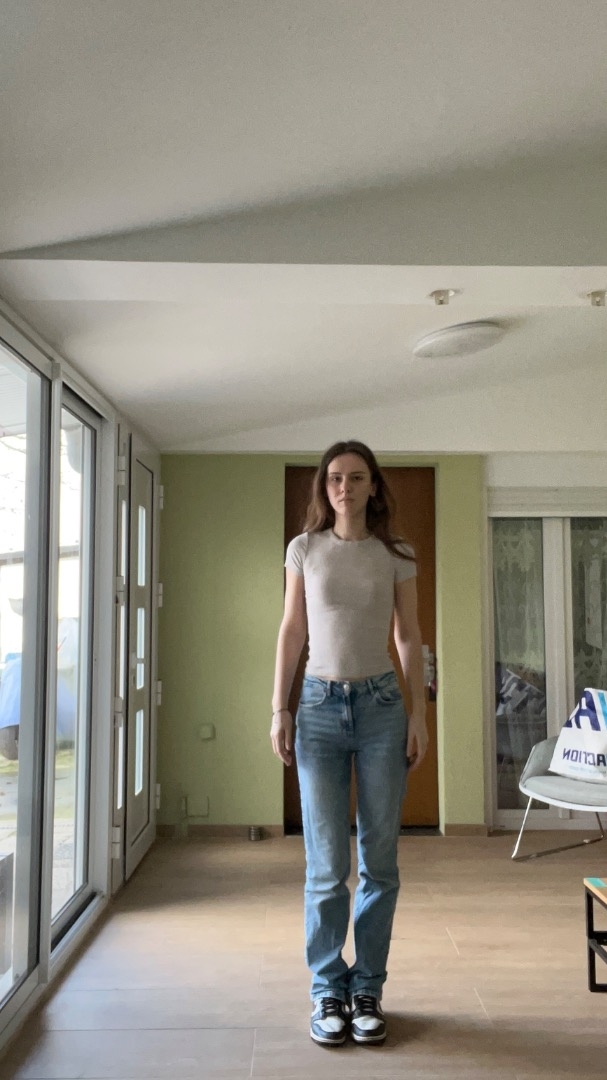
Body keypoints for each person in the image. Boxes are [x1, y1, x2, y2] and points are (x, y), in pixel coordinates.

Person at [271, 439, 428, 1047]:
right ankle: (327, 990)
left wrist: (418, 716)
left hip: (382, 707)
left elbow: (409, 636)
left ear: (373, 485)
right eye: (335, 477)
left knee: (379, 862)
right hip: (317, 707)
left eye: (357, 477)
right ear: (324, 486)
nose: (345, 487)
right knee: (327, 864)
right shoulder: (304, 549)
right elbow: (292, 629)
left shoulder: (396, 553)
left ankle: (368, 989)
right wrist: (280, 708)